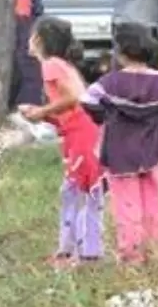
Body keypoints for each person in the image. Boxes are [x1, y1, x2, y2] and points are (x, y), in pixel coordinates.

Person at [81, 23, 158, 263]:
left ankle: (131, 254)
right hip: (152, 150)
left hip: (119, 152)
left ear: (120, 53)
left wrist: (106, 116)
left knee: (126, 203)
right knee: (153, 201)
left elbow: (87, 99)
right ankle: (153, 250)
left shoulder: (110, 82)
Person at [18, 16, 105, 268]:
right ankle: (74, 251)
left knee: (78, 192)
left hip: (82, 134)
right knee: (78, 192)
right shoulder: (61, 65)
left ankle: (80, 254)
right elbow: (71, 107)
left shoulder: (51, 65)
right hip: (79, 132)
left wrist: (43, 111)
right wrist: (42, 113)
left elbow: (75, 98)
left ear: (38, 39)